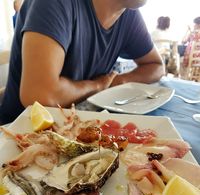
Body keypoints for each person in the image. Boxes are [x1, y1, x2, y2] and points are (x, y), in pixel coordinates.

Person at [0, 0, 164, 125]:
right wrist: (98, 86)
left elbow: (156, 66)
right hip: (22, 133)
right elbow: (40, 95)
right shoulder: (55, 4)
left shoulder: (129, 15)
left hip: (82, 126)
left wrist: (118, 82)